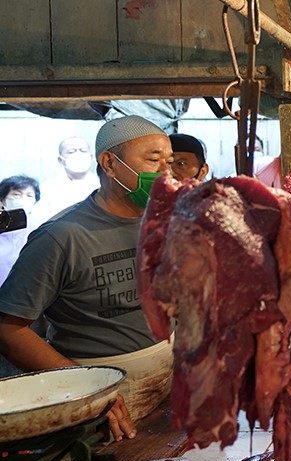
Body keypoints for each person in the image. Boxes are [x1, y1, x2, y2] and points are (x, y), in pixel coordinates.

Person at [0, 115, 175, 442]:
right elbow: (9, 330)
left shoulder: (165, 224)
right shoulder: (61, 236)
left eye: (170, 161)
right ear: (109, 163)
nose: (166, 172)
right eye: (153, 160)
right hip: (97, 405)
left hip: (166, 385)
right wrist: (87, 391)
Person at [32, 137, 100, 225]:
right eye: (71, 151)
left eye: (83, 150)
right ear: (61, 160)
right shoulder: (48, 188)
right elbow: (39, 219)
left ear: (91, 157)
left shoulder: (104, 184)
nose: (78, 154)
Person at [0, 175, 41, 286]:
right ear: (2, 200)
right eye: (17, 195)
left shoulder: (40, 228)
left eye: (29, 196)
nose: (23, 200)